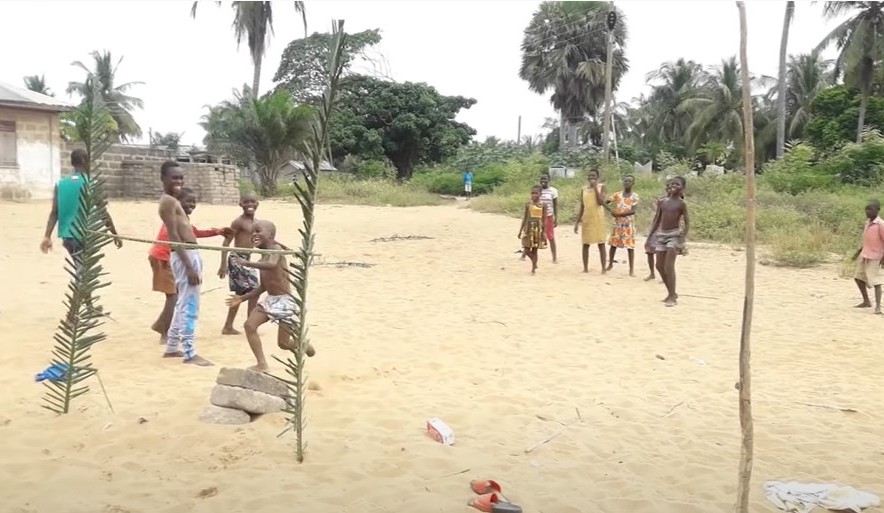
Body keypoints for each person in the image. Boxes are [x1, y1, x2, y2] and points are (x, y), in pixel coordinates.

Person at [226, 220, 316, 371]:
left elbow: (272, 264)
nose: (254, 234)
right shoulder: (262, 257)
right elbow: (262, 287)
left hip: (286, 301)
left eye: (259, 231)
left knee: (284, 344)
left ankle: (303, 343)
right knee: (249, 325)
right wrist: (242, 298)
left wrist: (247, 263)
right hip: (271, 300)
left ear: (271, 235)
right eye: (253, 231)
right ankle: (262, 364)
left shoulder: (276, 249)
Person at [149, 188, 229, 344]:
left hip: (168, 259)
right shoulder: (173, 217)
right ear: (178, 203)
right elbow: (174, 240)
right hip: (163, 258)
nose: (191, 204)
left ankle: (161, 325)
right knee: (173, 296)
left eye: (194, 202)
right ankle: (164, 333)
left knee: (176, 295)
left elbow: (194, 233)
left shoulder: (183, 218)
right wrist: (189, 267)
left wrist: (217, 231)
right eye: (188, 201)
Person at [157, 161, 212, 366]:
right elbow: (173, 236)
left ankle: (172, 347)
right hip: (185, 255)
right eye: (174, 178)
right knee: (190, 305)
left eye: (181, 178)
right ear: (163, 178)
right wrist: (189, 266)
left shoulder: (172, 200)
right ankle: (190, 353)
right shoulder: (168, 202)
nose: (178, 181)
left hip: (188, 253)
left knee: (182, 303)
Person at [40, 148, 122, 272]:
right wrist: (114, 234)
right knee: (83, 276)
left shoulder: (60, 184)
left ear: (72, 163)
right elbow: (103, 213)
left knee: (82, 272)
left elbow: (54, 213)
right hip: (83, 237)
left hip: (67, 238)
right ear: (85, 161)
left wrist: (47, 236)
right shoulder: (91, 184)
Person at [219, 193, 260, 335]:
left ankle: (233, 325)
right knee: (252, 291)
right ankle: (248, 325)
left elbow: (263, 240)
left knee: (245, 293)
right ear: (240, 204)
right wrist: (223, 264)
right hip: (237, 259)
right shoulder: (238, 222)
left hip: (248, 260)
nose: (249, 204)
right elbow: (226, 242)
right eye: (246, 202)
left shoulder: (257, 223)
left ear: (257, 203)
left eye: (252, 201)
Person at [648, 176, 689, 307]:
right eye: (671, 184)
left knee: (669, 266)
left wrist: (682, 238)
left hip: (674, 236)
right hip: (661, 235)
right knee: (659, 266)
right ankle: (671, 292)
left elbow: (687, 223)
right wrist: (650, 237)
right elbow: (657, 220)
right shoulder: (663, 202)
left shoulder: (682, 204)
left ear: (682, 188)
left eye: (677, 184)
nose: (673, 186)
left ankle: (672, 297)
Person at [852, 200, 884, 314]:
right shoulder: (868, 223)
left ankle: (878, 307)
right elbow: (867, 240)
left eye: (870, 209)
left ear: (877, 211)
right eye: (866, 209)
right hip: (865, 254)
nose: (867, 211)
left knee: (876, 282)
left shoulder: (880, 224)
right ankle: (866, 301)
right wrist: (857, 252)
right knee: (858, 278)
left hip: (875, 257)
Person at [574, 169, 608, 273]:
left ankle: (603, 268)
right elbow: (582, 206)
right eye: (590, 176)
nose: (591, 178)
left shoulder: (601, 187)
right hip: (587, 219)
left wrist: (595, 188)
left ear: (597, 177)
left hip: (598, 219)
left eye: (593, 176)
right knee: (586, 243)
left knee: (601, 243)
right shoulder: (583, 189)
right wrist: (577, 222)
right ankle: (585, 268)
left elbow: (600, 202)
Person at [606, 175, 640, 276]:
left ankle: (631, 269)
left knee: (630, 247)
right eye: (625, 181)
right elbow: (606, 202)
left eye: (629, 181)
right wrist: (611, 211)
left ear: (633, 183)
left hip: (628, 224)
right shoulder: (618, 195)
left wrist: (618, 214)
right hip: (617, 224)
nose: (627, 183)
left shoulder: (635, 196)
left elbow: (633, 211)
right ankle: (610, 264)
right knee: (613, 245)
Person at [644, 181, 672, 281]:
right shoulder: (661, 200)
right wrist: (652, 229)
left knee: (663, 253)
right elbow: (658, 215)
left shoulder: (678, 201)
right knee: (649, 249)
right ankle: (652, 273)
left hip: (668, 229)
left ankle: (664, 276)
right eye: (668, 187)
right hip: (658, 227)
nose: (670, 189)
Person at [518, 186, 547, 274]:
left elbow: (544, 219)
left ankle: (533, 269)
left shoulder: (543, 205)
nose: (534, 195)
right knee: (526, 248)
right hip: (528, 228)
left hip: (537, 229)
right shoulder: (528, 204)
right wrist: (520, 230)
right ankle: (534, 262)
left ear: (540, 194)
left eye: (536, 193)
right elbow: (525, 217)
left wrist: (543, 232)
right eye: (532, 193)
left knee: (535, 249)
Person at [539, 173, 559, 263]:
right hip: (537, 216)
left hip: (548, 216)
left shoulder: (553, 191)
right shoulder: (538, 190)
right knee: (533, 235)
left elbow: (555, 205)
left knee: (550, 237)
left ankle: (554, 257)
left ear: (549, 180)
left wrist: (556, 217)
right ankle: (525, 254)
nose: (543, 181)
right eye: (542, 179)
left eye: (545, 179)